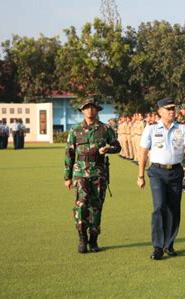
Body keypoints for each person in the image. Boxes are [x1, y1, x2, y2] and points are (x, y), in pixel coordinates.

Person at [137, 97, 185, 260]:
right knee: (159, 206)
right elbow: (143, 152)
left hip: (176, 171)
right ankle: (157, 246)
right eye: (168, 109)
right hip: (157, 172)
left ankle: (169, 244)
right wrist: (140, 175)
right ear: (160, 112)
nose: (172, 112)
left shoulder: (182, 128)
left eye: (173, 109)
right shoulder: (151, 128)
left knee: (174, 208)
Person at [64, 97, 121, 253]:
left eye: (93, 107)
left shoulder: (105, 129)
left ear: (97, 110)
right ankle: (82, 238)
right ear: (82, 110)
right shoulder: (75, 130)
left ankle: (93, 239)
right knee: (81, 205)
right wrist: (67, 176)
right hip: (80, 172)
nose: (90, 110)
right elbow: (69, 152)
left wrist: (107, 149)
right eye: (87, 107)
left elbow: (117, 147)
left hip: (98, 172)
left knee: (96, 207)